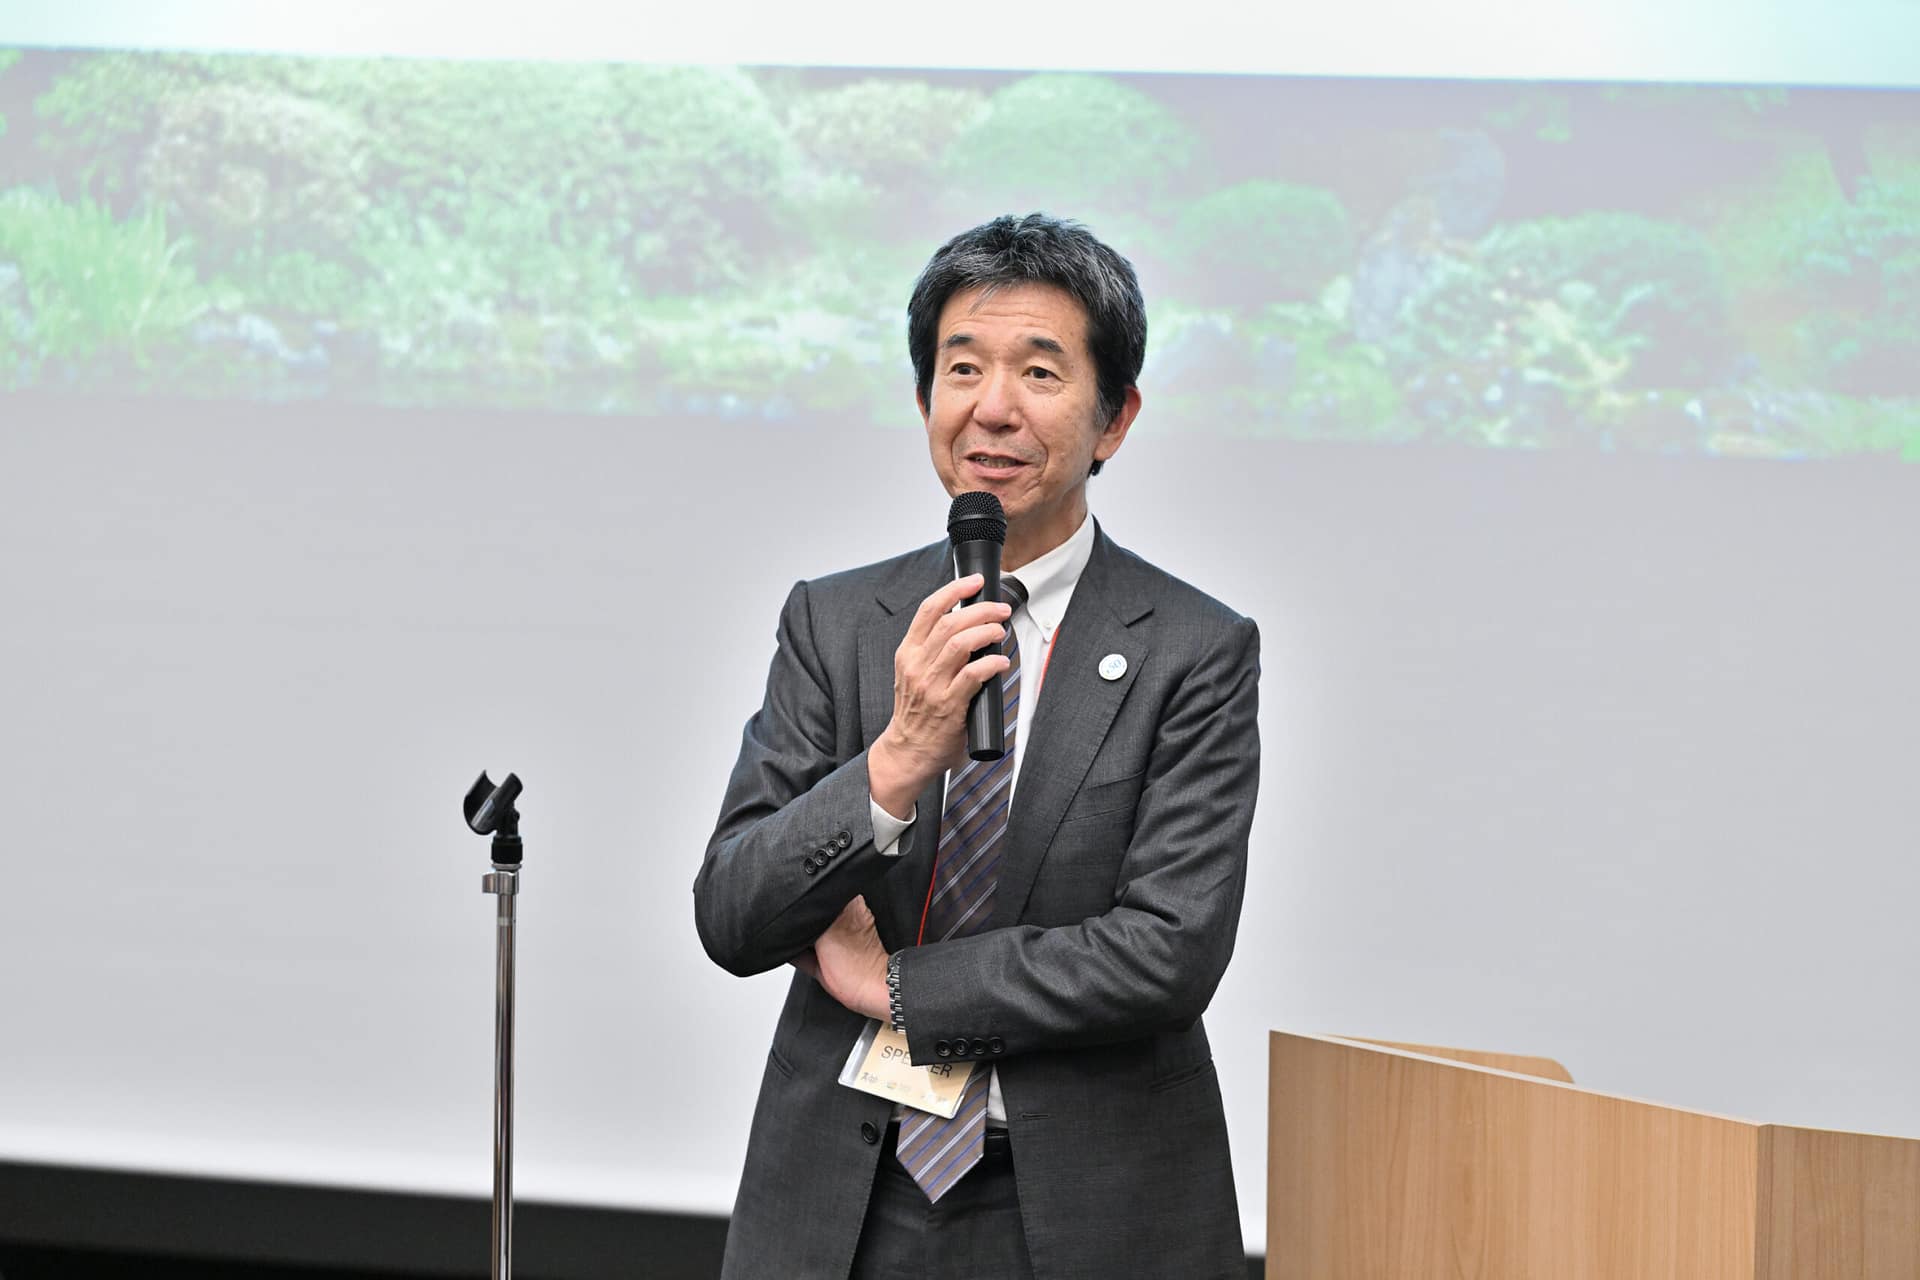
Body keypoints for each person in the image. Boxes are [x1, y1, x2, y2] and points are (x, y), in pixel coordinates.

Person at [694, 213, 1260, 1279]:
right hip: (842, 1204)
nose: (992, 407)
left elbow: (1167, 951)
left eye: (1040, 371)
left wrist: (903, 988)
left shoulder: (1194, 648)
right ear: (923, 401)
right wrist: (899, 757)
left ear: (1114, 417)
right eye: (962, 368)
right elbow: (732, 909)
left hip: (1089, 1207)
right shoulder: (838, 621)